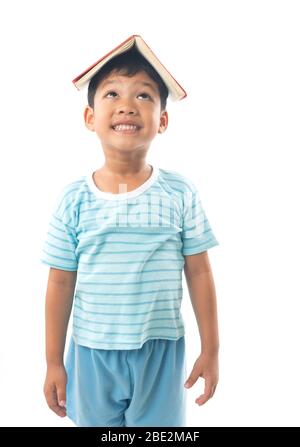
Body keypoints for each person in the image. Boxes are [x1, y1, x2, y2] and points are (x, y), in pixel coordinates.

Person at [40, 42, 220, 427]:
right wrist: (54, 361)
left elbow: (200, 273)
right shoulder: (74, 199)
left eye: (143, 94)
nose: (127, 104)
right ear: (90, 117)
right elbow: (59, 282)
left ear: (163, 121)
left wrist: (212, 348)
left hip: (160, 351)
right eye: (112, 93)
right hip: (91, 352)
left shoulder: (180, 193)